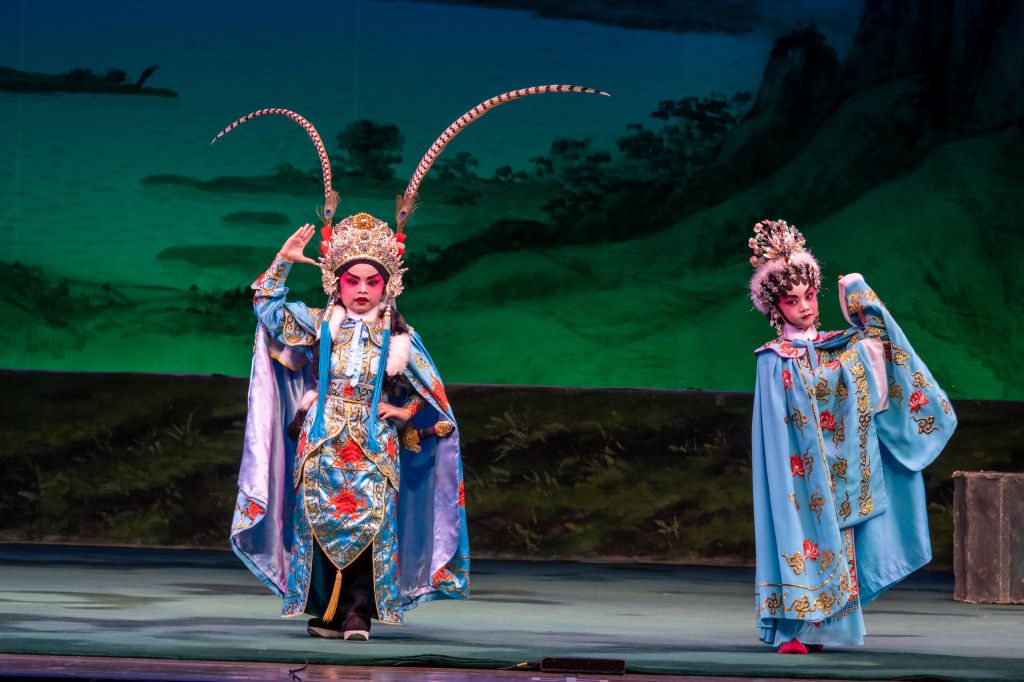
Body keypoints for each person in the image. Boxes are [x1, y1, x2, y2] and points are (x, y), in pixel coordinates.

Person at [221, 85, 606, 640]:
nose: (360, 289)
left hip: (374, 446)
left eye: (371, 281)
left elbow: (434, 405)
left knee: (371, 525)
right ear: (335, 281)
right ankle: (325, 611)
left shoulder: (401, 338)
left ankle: (359, 613)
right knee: (318, 523)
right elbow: (266, 309)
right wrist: (282, 262)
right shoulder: (318, 323)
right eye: (351, 280)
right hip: (321, 439)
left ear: (388, 285)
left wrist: (400, 415)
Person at [747, 219, 957, 653]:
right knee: (798, 535)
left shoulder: (836, 345)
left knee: (838, 540)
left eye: (809, 295)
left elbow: (881, 344)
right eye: (792, 300)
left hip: (833, 464)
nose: (805, 307)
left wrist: (859, 294)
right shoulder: (773, 359)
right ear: (775, 308)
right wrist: (844, 367)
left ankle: (820, 629)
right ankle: (793, 629)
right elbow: (794, 408)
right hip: (796, 470)